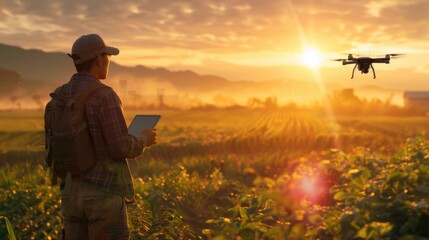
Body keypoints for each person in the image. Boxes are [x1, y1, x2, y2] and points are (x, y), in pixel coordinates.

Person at [48, 34, 156, 239]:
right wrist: (143, 139)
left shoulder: (59, 96)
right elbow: (119, 147)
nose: (108, 62)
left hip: (70, 193)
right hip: (102, 194)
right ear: (99, 59)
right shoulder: (105, 96)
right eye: (108, 57)